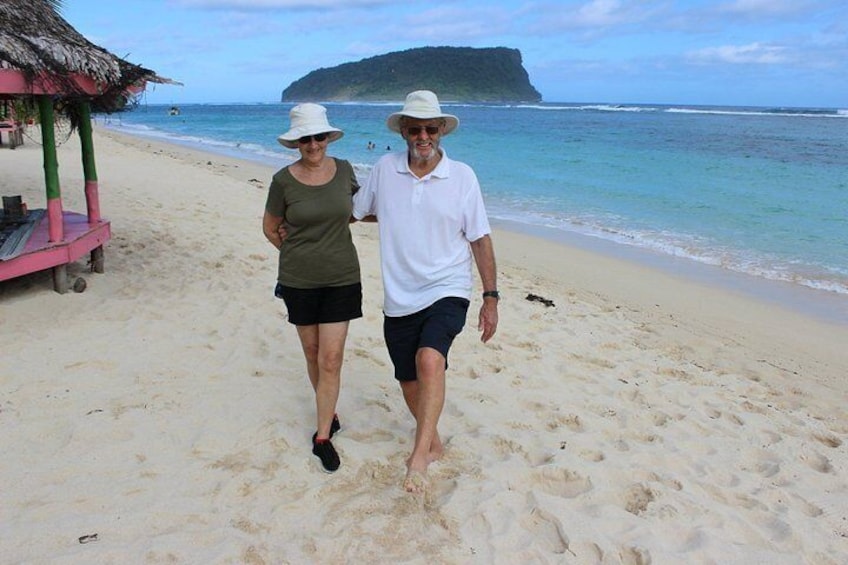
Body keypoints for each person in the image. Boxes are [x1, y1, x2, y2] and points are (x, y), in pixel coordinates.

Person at [351, 90, 499, 493]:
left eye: (430, 128)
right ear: (403, 131)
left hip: (449, 286)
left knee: (430, 360)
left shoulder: (463, 177)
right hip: (399, 295)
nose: (423, 136)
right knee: (408, 380)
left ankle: (418, 459)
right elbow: (356, 209)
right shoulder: (384, 169)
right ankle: (433, 443)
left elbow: (480, 239)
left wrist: (490, 297)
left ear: (441, 132)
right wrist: (302, 213)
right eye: (414, 128)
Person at [262, 103, 362, 473]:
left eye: (319, 136)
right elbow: (271, 228)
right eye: (306, 138)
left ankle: (322, 437)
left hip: (341, 277)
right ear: (296, 142)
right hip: (299, 280)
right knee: (312, 352)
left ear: (328, 138)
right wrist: (293, 253)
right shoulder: (282, 181)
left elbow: (359, 209)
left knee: (331, 359)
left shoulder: (346, 171)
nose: (314, 144)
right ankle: (329, 409)